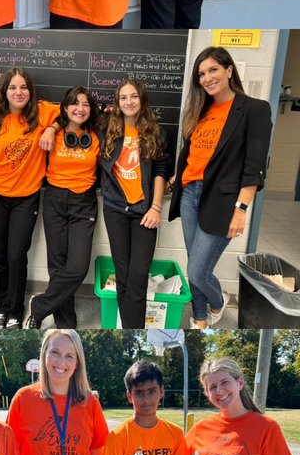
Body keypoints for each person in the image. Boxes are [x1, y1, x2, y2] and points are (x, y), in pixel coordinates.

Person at [169, 47, 272, 328]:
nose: (207, 78)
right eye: (201, 73)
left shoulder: (254, 109)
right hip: (190, 193)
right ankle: (199, 319)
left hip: (222, 200)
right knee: (194, 265)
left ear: (229, 70)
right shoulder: (200, 111)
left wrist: (241, 210)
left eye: (213, 69)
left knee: (199, 272)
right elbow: (193, 154)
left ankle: (218, 301)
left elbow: (254, 167)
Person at [0, 69, 59, 329]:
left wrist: (52, 129)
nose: (19, 92)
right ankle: (0, 308)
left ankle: (15, 310)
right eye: (13, 87)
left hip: (27, 198)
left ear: (30, 92)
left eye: (23, 87)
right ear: (4, 92)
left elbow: (71, 112)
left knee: (15, 256)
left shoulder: (42, 113)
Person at [99, 79, 170, 329]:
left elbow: (161, 170)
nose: (129, 102)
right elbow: (73, 114)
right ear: (117, 103)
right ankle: (130, 329)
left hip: (144, 210)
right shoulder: (107, 129)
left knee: (139, 276)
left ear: (142, 100)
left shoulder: (156, 132)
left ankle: (131, 328)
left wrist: (156, 207)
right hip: (115, 209)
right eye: (123, 97)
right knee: (124, 275)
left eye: (134, 96)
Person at [27, 89, 101, 330]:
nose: (80, 108)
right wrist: (52, 127)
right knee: (57, 265)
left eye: (85, 104)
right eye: (74, 103)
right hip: (54, 198)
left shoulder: (98, 133)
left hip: (84, 201)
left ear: (92, 109)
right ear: (65, 108)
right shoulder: (52, 131)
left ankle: (40, 305)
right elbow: (35, 104)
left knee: (77, 267)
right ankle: (65, 322)